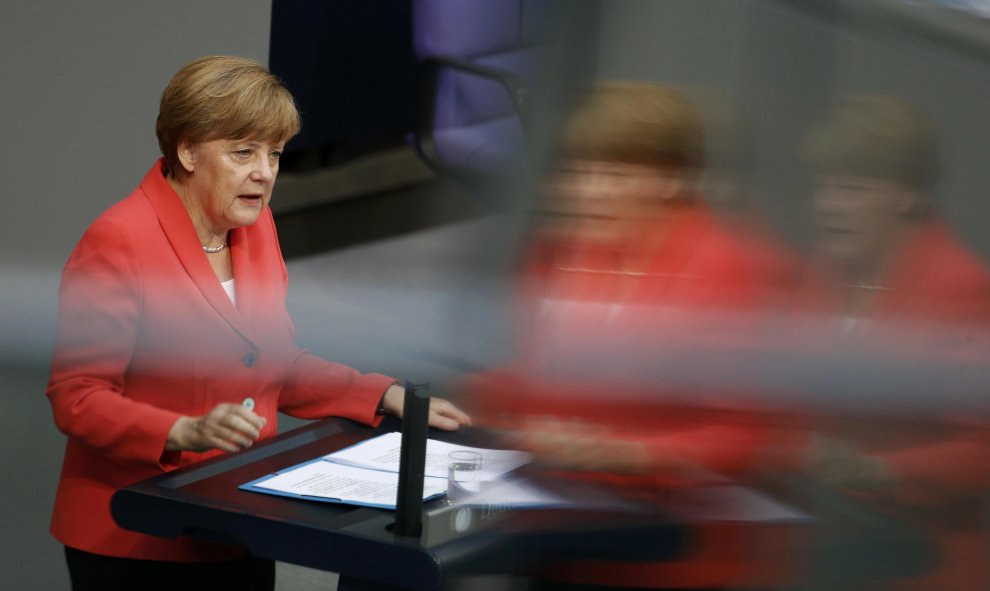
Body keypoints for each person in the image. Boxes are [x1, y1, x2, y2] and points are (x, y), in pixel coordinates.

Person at [45, 55, 470, 591]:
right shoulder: (119, 240)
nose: (264, 172)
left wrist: (382, 394)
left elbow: (271, 361)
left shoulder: (256, 224)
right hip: (140, 536)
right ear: (187, 150)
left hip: (238, 518)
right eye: (243, 152)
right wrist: (181, 430)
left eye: (274, 153)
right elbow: (77, 395)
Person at [467, 81, 800, 590]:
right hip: (559, 522)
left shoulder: (733, 269)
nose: (588, 191)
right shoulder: (568, 248)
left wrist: (627, 452)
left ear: (672, 181)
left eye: (614, 174)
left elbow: (755, 436)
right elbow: (525, 373)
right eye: (578, 172)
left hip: (676, 544)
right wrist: (485, 407)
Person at [790, 95, 990, 590]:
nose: (829, 205)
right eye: (823, 187)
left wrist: (877, 471)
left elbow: (982, 446)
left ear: (909, 196)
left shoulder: (961, 288)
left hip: (918, 558)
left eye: (852, 189)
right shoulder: (822, 267)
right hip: (822, 539)